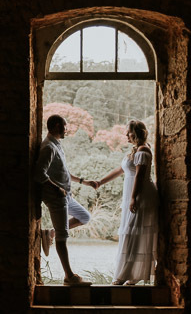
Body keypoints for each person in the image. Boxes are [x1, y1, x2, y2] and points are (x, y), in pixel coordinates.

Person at [91, 120, 158, 285]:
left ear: (136, 133)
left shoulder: (143, 150)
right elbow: (120, 170)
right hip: (133, 196)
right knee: (131, 233)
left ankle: (127, 275)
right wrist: (100, 182)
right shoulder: (134, 151)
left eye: (128, 132)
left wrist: (134, 197)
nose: (126, 135)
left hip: (142, 196)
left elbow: (139, 177)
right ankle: (131, 275)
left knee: (134, 234)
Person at [35, 114, 94, 286]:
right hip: (56, 197)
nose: (66, 129)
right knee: (63, 237)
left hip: (66, 196)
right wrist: (58, 188)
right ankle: (69, 276)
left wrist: (83, 182)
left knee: (85, 217)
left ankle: (50, 233)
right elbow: (39, 175)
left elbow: (64, 172)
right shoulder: (48, 148)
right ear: (53, 127)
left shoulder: (57, 145)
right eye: (63, 126)